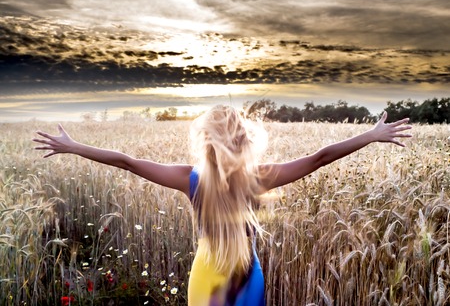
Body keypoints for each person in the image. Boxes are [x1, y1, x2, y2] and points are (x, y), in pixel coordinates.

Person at [33, 105, 412, 306]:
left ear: (207, 143)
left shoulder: (189, 179)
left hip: (207, 276)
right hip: (248, 275)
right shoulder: (258, 177)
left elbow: (126, 161)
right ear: (243, 139)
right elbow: (320, 157)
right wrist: (371, 135)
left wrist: (73, 146)